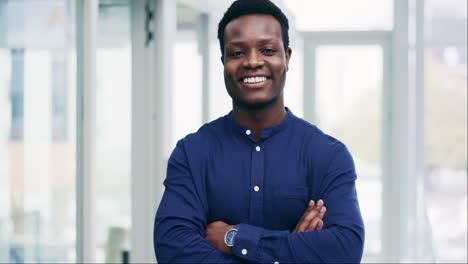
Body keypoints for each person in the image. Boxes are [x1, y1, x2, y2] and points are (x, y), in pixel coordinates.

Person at [154, 0, 364, 263]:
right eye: (237, 53)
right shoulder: (192, 153)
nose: (252, 62)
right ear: (223, 62)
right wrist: (293, 250)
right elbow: (173, 249)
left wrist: (235, 239)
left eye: (267, 50)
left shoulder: (328, 155)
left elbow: (344, 250)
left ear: (286, 57)